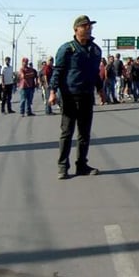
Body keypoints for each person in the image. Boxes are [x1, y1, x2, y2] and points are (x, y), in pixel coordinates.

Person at [48, 15, 102, 179]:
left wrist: (101, 90)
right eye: (85, 26)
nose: (88, 28)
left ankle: (82, 165)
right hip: (70, 96)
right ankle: (63, 166)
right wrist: (52, 92)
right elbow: (57, 72)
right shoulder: (67, 49)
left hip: (87, 96)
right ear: (76, 29)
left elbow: (95, 73)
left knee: (84, 134)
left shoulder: (95, 50)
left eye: (90, 26)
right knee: (67, 132)